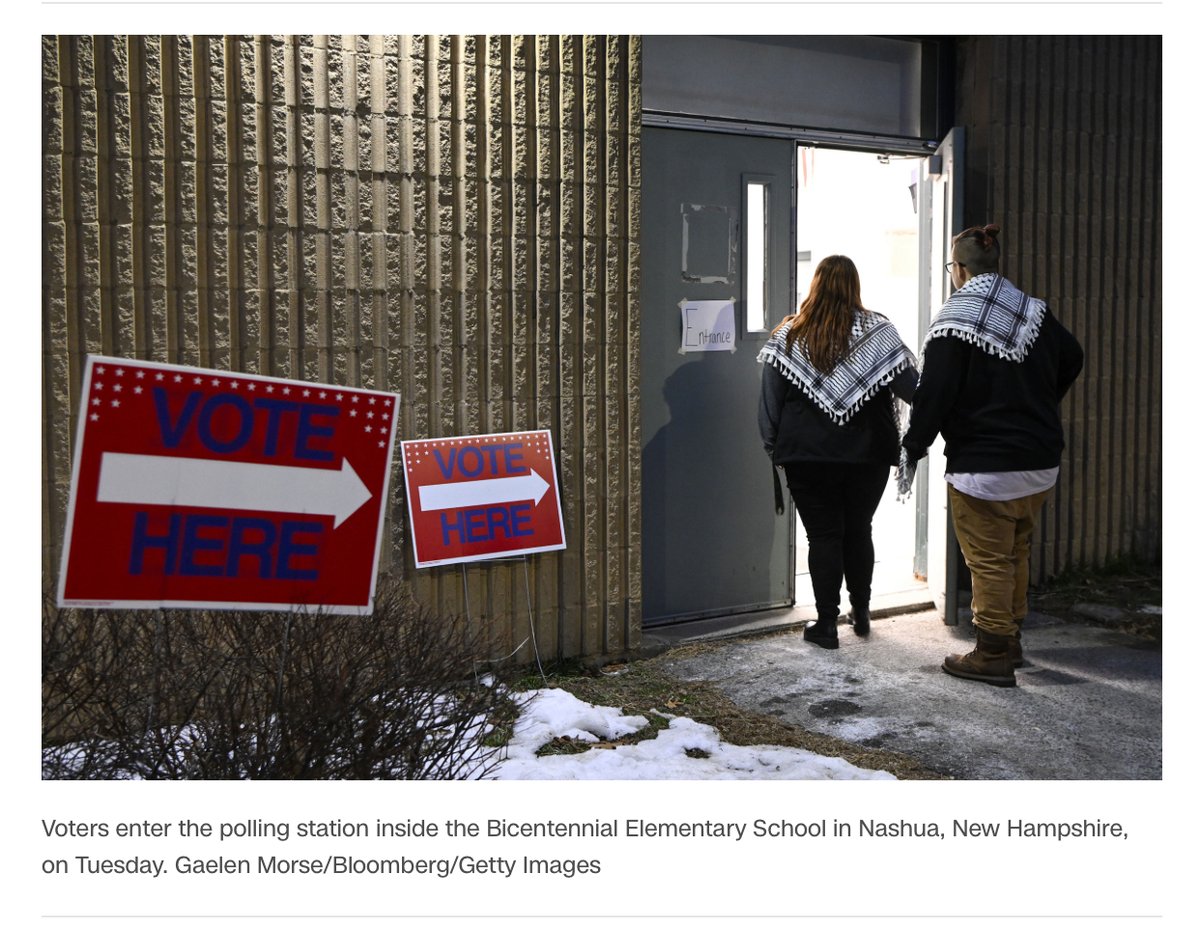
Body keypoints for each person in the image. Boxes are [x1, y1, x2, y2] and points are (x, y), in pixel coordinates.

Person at [899, 224, 1083, 687]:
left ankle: (993, 653)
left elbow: (934, 394)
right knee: (1016, 549)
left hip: (986, 466)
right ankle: (1012, 639)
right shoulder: (1032, 312)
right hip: (1040, 461)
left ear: (959, 269)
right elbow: (1073, 355)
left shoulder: (955, 319)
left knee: (988, 560)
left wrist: (913, 445)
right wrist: (1041, 402)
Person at [758, 255, 917, 649]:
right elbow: (913, 390)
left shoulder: (790, 334)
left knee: (823, 536)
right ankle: (860, 612)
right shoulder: (879, 333)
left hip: (807, 455)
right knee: (859, 528)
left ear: (815, 285)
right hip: (868, 453)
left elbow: (769, 403)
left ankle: (826, 623)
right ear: (855, 287)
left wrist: (773, 446)